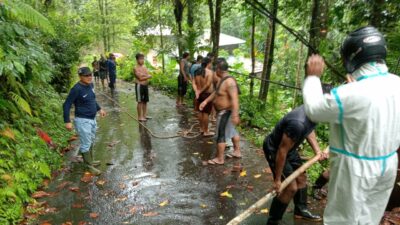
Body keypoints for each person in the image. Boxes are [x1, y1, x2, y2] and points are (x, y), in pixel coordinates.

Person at [302, 26, 400, 225]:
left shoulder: (349, 93)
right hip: (388, 165)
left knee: (341, 221)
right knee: (369, 219)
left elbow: (313, 109)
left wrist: (312, 76)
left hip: (355, 169)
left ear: (351, 56)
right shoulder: (396, 83)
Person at [262, 105, 325, 224]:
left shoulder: (314, 112)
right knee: (290, 188)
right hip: (276, 150)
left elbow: (309, 129)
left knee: (302, 177)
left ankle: (301, 210)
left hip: (289, 149)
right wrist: (277, 179)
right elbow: (282, 151)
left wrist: (317, 151)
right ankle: (273, 221)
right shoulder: (297, 123)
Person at [63, 67, 106, 175]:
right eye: (86, 75)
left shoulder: (90, 85)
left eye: (90, 75)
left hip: (92, 119)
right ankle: (88, 166)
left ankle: (90, 161)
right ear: (80, 76)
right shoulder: (76, 89)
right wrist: (67, 121)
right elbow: (66, 104)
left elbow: (92, 99)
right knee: (86, 143)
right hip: (82, 120)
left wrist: (99, 109)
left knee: (90, 140)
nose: (89, 77)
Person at [200, 58, 241, 165]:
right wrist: (205, 101)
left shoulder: (229, 82)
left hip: (226, 112)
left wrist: (235, 115)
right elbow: (216, 93)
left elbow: (235, 99)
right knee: (232, 131)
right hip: (225, 112)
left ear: (218, 69)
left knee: (220, 135)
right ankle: (237, 151)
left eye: (215, 69)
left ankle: (220, 158)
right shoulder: (221, 79)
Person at [194, 57, 214, 137]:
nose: (211, 65)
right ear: (208, 63)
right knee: (206, 113)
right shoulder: (209, 72)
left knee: (200, 111)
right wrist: (201, 91)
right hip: (206, 94)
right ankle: (206, 131)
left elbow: (194, 83)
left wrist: (197, 92)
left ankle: (201, 128)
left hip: (199, 94)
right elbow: (208, 85)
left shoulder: (197, 71)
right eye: (211, 63)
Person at [134, 53, 152, 122]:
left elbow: (146, 75)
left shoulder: (144, 67)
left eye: (143, 59)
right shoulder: (135, 68)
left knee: (145, 101)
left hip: (145, 85)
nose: (142, 60)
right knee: (140, 101)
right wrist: (147, 76)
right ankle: (140, 117)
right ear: (137, 60)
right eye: (141, 59)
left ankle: (144, 115)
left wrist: (145, 76)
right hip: (139, 85)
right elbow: (140, 78)